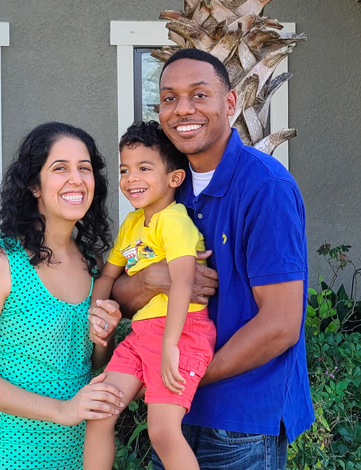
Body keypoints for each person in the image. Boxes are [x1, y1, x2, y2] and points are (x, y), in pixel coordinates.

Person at [112, 48, 315, 470]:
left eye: (199, 94)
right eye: (169, 98)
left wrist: (183, 375)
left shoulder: (266, 188)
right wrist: (155, 278)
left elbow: (280, 325)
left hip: (240, 421)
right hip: (172, 411)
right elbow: (123, 295)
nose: (182, 108)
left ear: (230, 103)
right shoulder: (163, 190)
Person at [0, 122, 126, 470]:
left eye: (84, 168)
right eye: (60, 168)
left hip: (85, 451)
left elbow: (91, 363)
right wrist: (63, 410)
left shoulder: (93, 264)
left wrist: (104, 336)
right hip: (16, 453)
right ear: (34, 185)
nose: (76, 179)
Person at [83, 121, 216, 470]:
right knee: (99, 412)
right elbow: (108, 275)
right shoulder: (131, 225)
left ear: (174, 178)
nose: (131, 178)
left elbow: (183, 283)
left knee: (163, 431)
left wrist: (170, 345)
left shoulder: (174, 221)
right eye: (125, 169)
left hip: (181, 332)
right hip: (141, 335)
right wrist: (95, 314)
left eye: (144, 168)